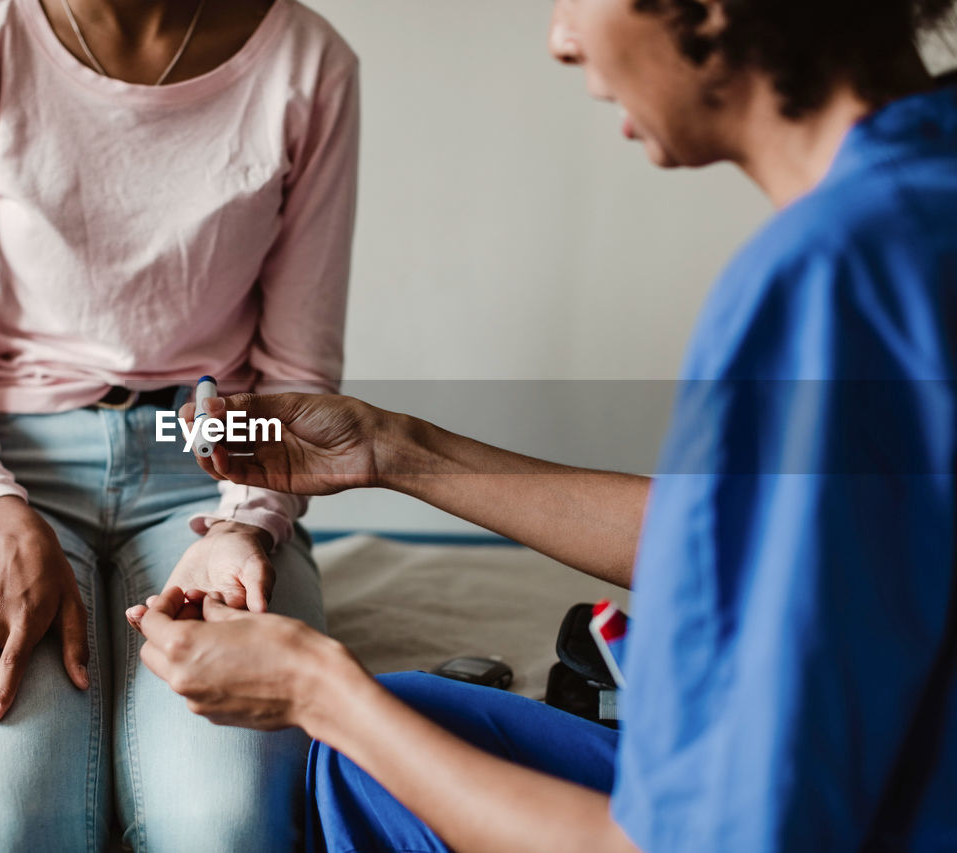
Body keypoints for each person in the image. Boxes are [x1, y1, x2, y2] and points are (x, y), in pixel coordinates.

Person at [128, 0, 957, 850]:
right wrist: (393, 450)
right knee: (400, 728)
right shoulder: (928, 180)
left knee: (363, 741)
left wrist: (318, 690)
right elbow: (766, 540)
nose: (561, 41)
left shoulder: (831, 281)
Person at [0, 0, 358, 849]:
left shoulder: (309, 63)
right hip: (12, 466)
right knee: (3, 822)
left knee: (227, 822)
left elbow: (297, 378)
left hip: (217, 468)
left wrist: (249, 521)